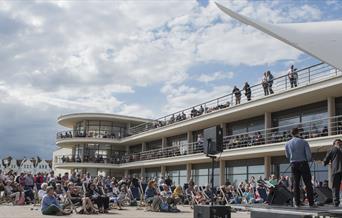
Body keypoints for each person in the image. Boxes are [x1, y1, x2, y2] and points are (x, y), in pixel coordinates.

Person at [285, 128, 316, 208]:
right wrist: (310, 159)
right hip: (303, 163)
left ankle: (297, 203)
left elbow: (287, 156)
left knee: (296, 184)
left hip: (293, 164)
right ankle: (311, 203)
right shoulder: (304, 142)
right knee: (308, 183)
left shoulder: (287, 143)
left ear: (291, 134)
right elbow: (308, 155)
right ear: (298, 133)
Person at [323, 139, 342, 207]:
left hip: (336, 171)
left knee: (335, 187)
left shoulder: (332, 149)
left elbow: (326, 159)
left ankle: (336, 202)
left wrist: (325, 163)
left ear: (334, 144)